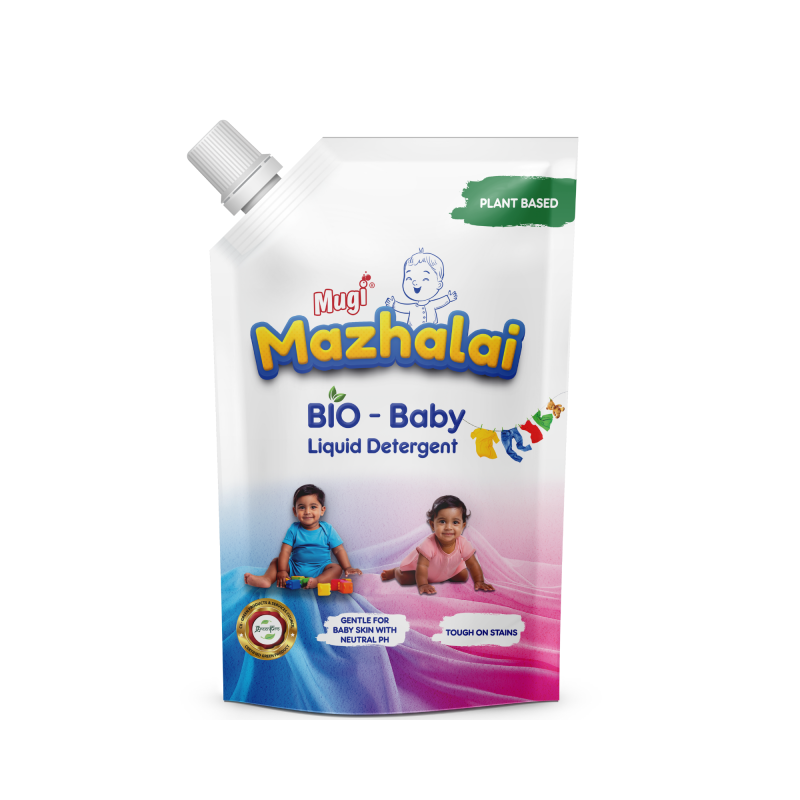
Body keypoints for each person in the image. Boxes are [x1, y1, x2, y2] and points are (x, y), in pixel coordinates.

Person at [244, 484, 362, 589]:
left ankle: (316, 581)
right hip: (295, 567)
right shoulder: (294, 529)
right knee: (276, 561)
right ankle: (267, 579)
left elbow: (339, 550)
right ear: (295, 511)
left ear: (322, 510)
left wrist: (347, 567)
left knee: (336, 568)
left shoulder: (328, 529)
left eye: (313, 507)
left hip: (321, 569)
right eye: (301, 507)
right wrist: (282, 570)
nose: (307, 512)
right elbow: (285, 551)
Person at [380, 495, 494, 594]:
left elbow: (473, 564)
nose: (448, 527)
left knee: (463, 575)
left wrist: (479, 581)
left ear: (462, 526)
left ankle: (443, 576)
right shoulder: (429, 544)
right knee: (405, 579)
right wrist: (423, 584)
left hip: (445, 570)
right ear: (432, 525)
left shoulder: (463, 543)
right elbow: (422, 566)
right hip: (422, 572)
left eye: (455, 522)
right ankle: (395, 572)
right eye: (442, 521)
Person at [385, 248, 457, 328]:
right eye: (409, 278)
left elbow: (441, 301)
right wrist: (393, 304)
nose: (414, 282)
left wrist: (449, 298)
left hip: (432, 333)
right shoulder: (412, 307)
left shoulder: (433, 304)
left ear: (439, 284)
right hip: (413, 333)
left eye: (424, 278)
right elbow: (402, 307)